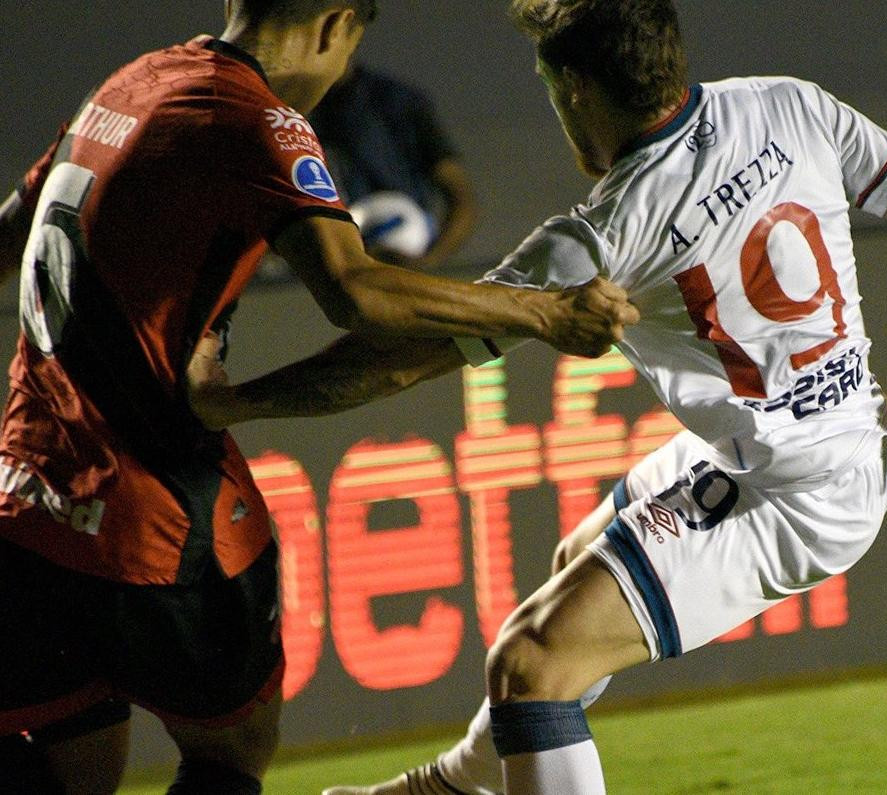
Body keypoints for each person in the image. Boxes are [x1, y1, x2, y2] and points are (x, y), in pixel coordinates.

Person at [188, 1, 887, 793]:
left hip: (793, 493)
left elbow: (398, 360)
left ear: (574, 88)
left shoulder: (602, 232)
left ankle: (453, 786)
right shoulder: (788, 105)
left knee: (532, 665)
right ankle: (452, 784)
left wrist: (239, 402)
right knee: (578, 558)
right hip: (827, 440)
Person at [0, 0, 636, 792]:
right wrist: (544, 310)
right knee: (231, 748)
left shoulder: (129, 84)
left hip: (26, 503)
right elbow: (356, 290)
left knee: (73, 762)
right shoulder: (257, 117)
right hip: (151, 516)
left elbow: (11, 237)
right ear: (337, 24)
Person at [310, 63, 478, 268]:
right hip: (350, 263)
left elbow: (461, 197)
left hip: (407, 251)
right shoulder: (297, 110)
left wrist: (428, 261)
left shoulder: (399, 102)